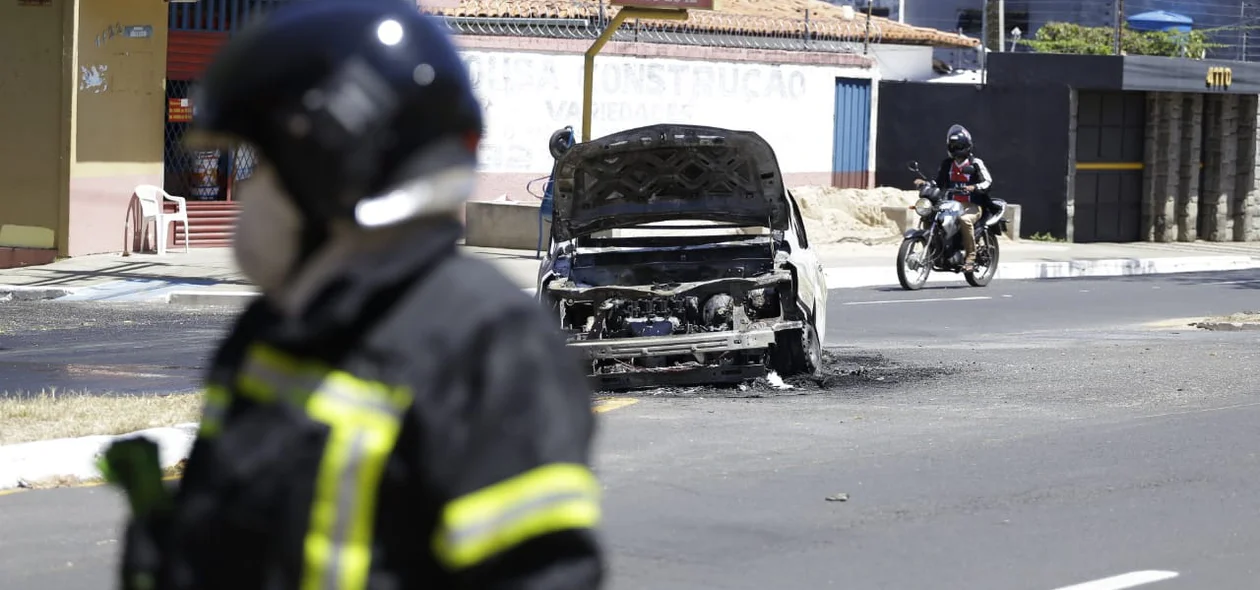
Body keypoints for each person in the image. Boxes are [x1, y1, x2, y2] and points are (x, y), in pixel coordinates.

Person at [111, 2, 605, 589]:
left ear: (334, 169)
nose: (246, 191)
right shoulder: (273, 328)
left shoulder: (491, 349)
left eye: (265, 163)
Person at [914, 124, 993, 271]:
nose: (956, 149)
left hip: (973, 205)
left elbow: (987, 181)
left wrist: (974, 187)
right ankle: (936, 251)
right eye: (953, 145)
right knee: (931, 216)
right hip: (951, 204)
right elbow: (939, 182)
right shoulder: (947, 164)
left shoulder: (975, 163)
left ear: (967, 145)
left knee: (965, 220)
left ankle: (971, 256)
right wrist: (926, 183)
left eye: (959, 145)